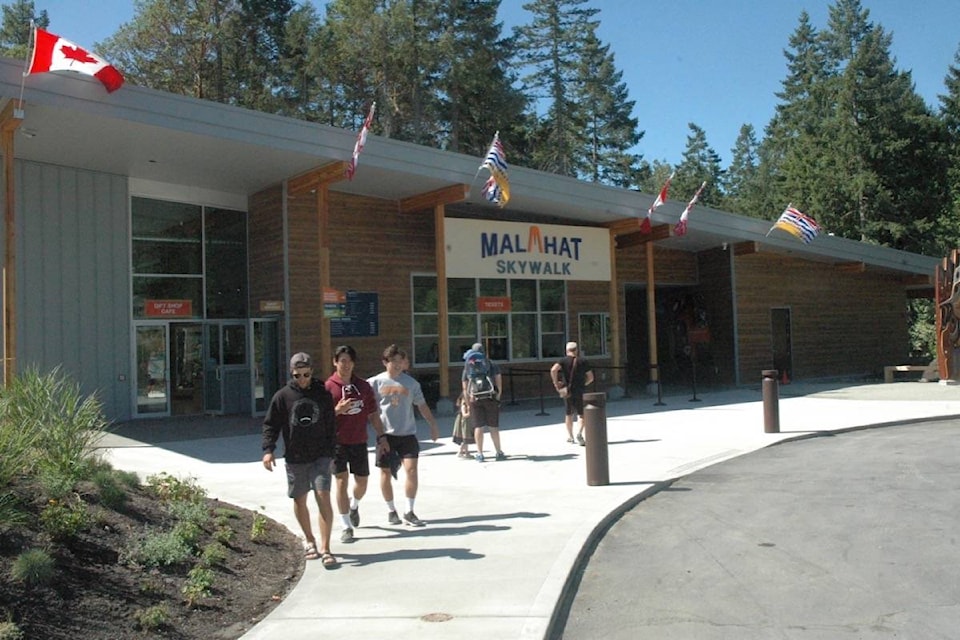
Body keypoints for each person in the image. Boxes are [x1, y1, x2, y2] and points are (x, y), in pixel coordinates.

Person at [262, 352, 338, 566]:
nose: (302, 379)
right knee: (300, 499)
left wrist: (333, 452)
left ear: (312, 371)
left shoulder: (322, 394)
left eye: (305, 374)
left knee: (323, 496)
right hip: (296, 456)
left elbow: (331, 425)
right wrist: (268, 449)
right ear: (291, 374)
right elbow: (270, 424)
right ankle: (310, 540)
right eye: (297, 375)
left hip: (321, 455)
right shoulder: (283, 396)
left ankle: (326, 548)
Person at [367, 344, 440, 527]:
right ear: (386, 362)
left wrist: (432, 424)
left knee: (412, 470)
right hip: (386, 435)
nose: (398, 365)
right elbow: (368, 409)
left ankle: (409, 510)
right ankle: (391, 510)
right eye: (394, 361)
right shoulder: (374, 383)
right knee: (385, 473)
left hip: (407, 434)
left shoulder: (411, 384)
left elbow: (421, 405)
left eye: (400, 361)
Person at [325, 345, 388, 544]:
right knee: (341, 481)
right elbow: (322, 417)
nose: (345, 365)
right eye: (342, 360)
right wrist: (337, 409)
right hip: (337, 442)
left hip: (359, 441)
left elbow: (372, 414)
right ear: (335, 362)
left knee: (362, 482)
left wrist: (382, 436)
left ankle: (354, 506)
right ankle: (345, 526)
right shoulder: (328, 387)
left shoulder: (363, 386)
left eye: (349, 361)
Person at [461, 342, 505, 462]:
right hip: (490, 397)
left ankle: (480, 454)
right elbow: (499, 382)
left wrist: (468, 402)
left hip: (475, 398)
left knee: (478, 427)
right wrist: (498, 396)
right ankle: (498, 452)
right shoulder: (491, 364)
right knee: (493, 426)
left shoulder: (468, 366)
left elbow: (465, 388)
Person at [551, 341, 594, 446]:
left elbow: (553, 370)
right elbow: (591, 377)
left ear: (567, 350)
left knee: (569, 413)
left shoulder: (563, 360)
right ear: (577, 350)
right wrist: (584, 383)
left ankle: (570, 436)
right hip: (580, 390)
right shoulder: (583, 361)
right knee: (581, 414)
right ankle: (579, 433)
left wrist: (556, 383)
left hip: (567, 390)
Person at [451, 393, 474, 458]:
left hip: (467, 423)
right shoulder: (464, 406)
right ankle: (461, 452)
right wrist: (470, 412)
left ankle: (466, 452)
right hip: (464, 423)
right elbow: (464, 415)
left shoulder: (467, 405)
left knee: (466, 439)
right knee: (465, 439)